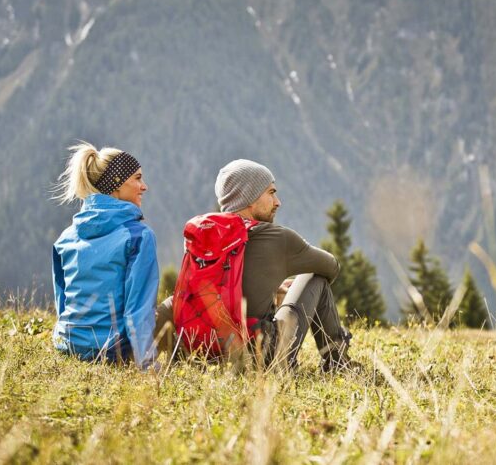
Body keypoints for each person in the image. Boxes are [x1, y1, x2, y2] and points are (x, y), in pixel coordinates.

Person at [157, 159, 353, 371]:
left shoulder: (203, 237)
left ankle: (136, 355)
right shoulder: (278, 237)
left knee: (177, 300)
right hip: (261, 355)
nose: (277, 202)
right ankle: (337, 362)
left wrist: (270, 284)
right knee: (315, 279)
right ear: (249, 198)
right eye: (271, 192)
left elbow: (225, 284)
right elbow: (331, 266)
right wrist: (285, 279)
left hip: (199, 353)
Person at [51, 142, 159, 368]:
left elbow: (63, 303)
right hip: (110, 351)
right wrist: (149, 368)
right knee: (171, 312)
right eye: (137, 178)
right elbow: (138, 310)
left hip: (66, 344)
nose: (144, 186)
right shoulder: (138, 236)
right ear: (117, 184)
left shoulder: (65, 237)